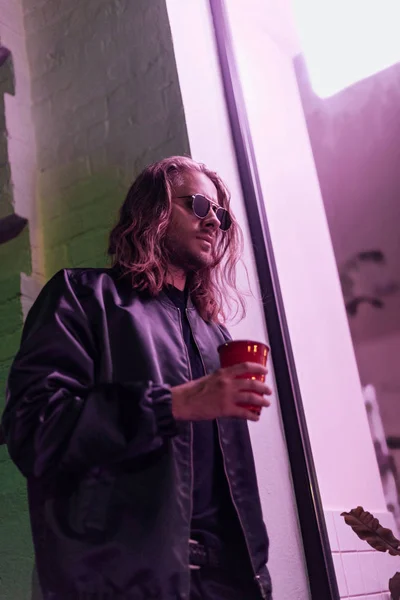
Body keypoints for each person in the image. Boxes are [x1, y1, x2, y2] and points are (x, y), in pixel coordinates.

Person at [2, 156, 273, 600]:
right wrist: (170, 405)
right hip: (120, 583)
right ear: (154, 211)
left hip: (225, 583)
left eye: (221, 216)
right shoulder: (83, 297)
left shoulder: (215, 335)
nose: (214, 224)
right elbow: (33, 429)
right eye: (200, 206)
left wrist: (258, 578)